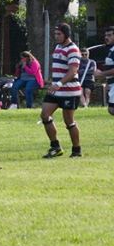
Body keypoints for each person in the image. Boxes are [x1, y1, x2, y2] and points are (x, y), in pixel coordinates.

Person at [41, 23, 83, 158]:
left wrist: (58, 83)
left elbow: (73, 71)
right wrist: (52, 82)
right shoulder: (58, 47)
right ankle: (55, 147)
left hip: (70, 91)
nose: (56, 36)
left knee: (69, 121)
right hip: (57, 89)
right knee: (44, 115)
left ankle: (76, 150)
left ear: (66, 34)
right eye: (55, 34)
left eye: (59, 34)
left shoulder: (73, 49)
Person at [96, 27, 114, 115]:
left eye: (110, 35)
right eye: (106, 35)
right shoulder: (111, 50)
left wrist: (101, 74)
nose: (106, 37)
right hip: (112, 84)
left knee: (112, 109)